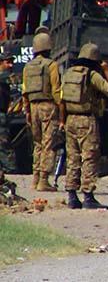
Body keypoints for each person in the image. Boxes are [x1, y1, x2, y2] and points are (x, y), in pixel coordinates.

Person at [61, 43, 108, 210]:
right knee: (90, 157)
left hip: (70, 119)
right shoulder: (92, 74)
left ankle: (72, 196)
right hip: (86, 120)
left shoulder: (68, 74)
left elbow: (61, 100)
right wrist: (107, 70)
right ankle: (88, 196)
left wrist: (62, 120)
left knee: (72, 157)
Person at [22, 33, 62, 191]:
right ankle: (44, 180)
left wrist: (27, 111)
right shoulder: (51, 65)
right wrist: (62, 109)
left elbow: (24, 92)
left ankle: (36, 178)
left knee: (37, 144)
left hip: (33, 107)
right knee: (48, 143)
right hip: (48, 107)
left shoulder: (27, 67)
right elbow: (56, 90)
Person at [0, 52, 15, 178]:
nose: (11, 65)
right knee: (3, 144)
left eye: (12, 62)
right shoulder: (4, 78)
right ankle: (9, 170)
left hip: (3, 113)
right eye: (7, 62)